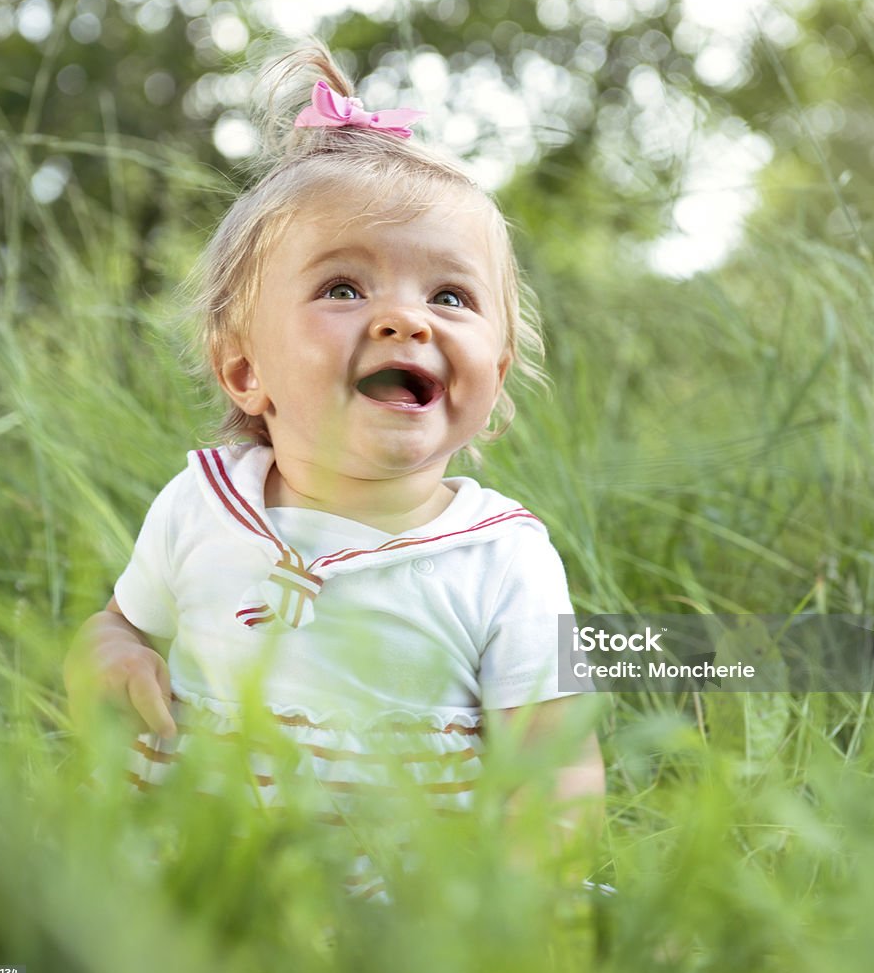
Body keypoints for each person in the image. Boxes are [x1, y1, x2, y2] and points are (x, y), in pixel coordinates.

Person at [65, 43, 605, 879]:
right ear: (244, 370)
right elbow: (120, 623)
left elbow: (556, 763)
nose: (405, 320)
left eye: (450, 297)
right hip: (189, 887)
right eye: (344, 289)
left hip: (408, 915)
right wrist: (109, 657)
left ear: (493, 383)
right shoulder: (201, 504)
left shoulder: (503, 557)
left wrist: (532, 895)